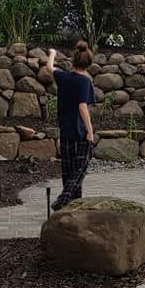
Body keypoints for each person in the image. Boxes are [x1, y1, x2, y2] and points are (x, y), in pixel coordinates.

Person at [46, 41, 96, 210]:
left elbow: (49, 68)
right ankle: (64, 199)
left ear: (73, 61)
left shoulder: (63, 77)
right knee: (80, 169)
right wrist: (90, 131)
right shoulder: (85, 81)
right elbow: (82, 107)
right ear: (89, 64)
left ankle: (73, 205)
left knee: (67, 171)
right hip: (80, 132)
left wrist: (52, 53)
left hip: (65, 131)